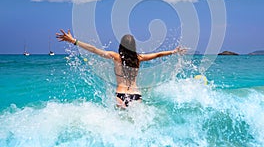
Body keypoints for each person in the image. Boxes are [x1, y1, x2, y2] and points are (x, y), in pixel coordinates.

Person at [56, 29, 186, 108]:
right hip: (136, 95)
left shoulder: (116, 57)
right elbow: (158, 54)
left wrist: (74, 41)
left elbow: (94, 50)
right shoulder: (139, 58)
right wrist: (174, 51)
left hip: (121, 94)